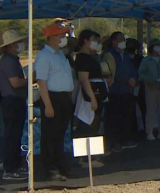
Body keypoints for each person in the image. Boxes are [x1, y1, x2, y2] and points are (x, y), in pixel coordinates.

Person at [34, 22, 75, 180]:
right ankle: (50, 169)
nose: (63, 38)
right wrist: (48, 105)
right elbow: (42, 81)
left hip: (64, 98)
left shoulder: (60, 54)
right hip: (52, 97)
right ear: (51, 37)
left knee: (60, 135)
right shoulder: (44, 56)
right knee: (50, 136)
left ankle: (61, 166)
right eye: (60, 35)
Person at [73, 29, 107, 164]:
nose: (96, 44)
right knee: (87, 124)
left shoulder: (91, 57)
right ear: (86, 41)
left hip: (97, 93)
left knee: (95, 124)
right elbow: (84, 79)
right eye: (94, 40)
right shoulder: (82, 57)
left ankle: (92, 155)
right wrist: (92, 97)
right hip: (88, 95)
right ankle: (85, 158)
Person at [0, 30, 29, 180]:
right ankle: (10, 168)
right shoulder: (8, 61)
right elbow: (15, 82)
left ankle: (14, 165)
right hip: (11, 101)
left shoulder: (12, 59)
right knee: (11, 135)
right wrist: (31, 79)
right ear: (11, 45)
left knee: (15, 135)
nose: (21, 44)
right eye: (18, 42)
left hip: (14, 100)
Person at [103, 31, 139, 151]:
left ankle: (125, 139)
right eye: (121, 39)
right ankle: (114, 142)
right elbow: (109, 73)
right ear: (114, 41)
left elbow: (132, 69)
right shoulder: (109, 55)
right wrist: (125, 80)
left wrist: (134, 78)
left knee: (126, 116)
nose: (123, 42)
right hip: (114, 91)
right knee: (114, 118)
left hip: (127, 91)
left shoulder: (126, 55)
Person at [138, 38, 160, 140]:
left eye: (159, 46)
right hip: (150, 88)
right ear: (152, 47)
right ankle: (149, 132)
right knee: (150, 111)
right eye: (157, 46)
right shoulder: (146, 60)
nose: (159, 48)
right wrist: (149, 80)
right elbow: (141, 72)